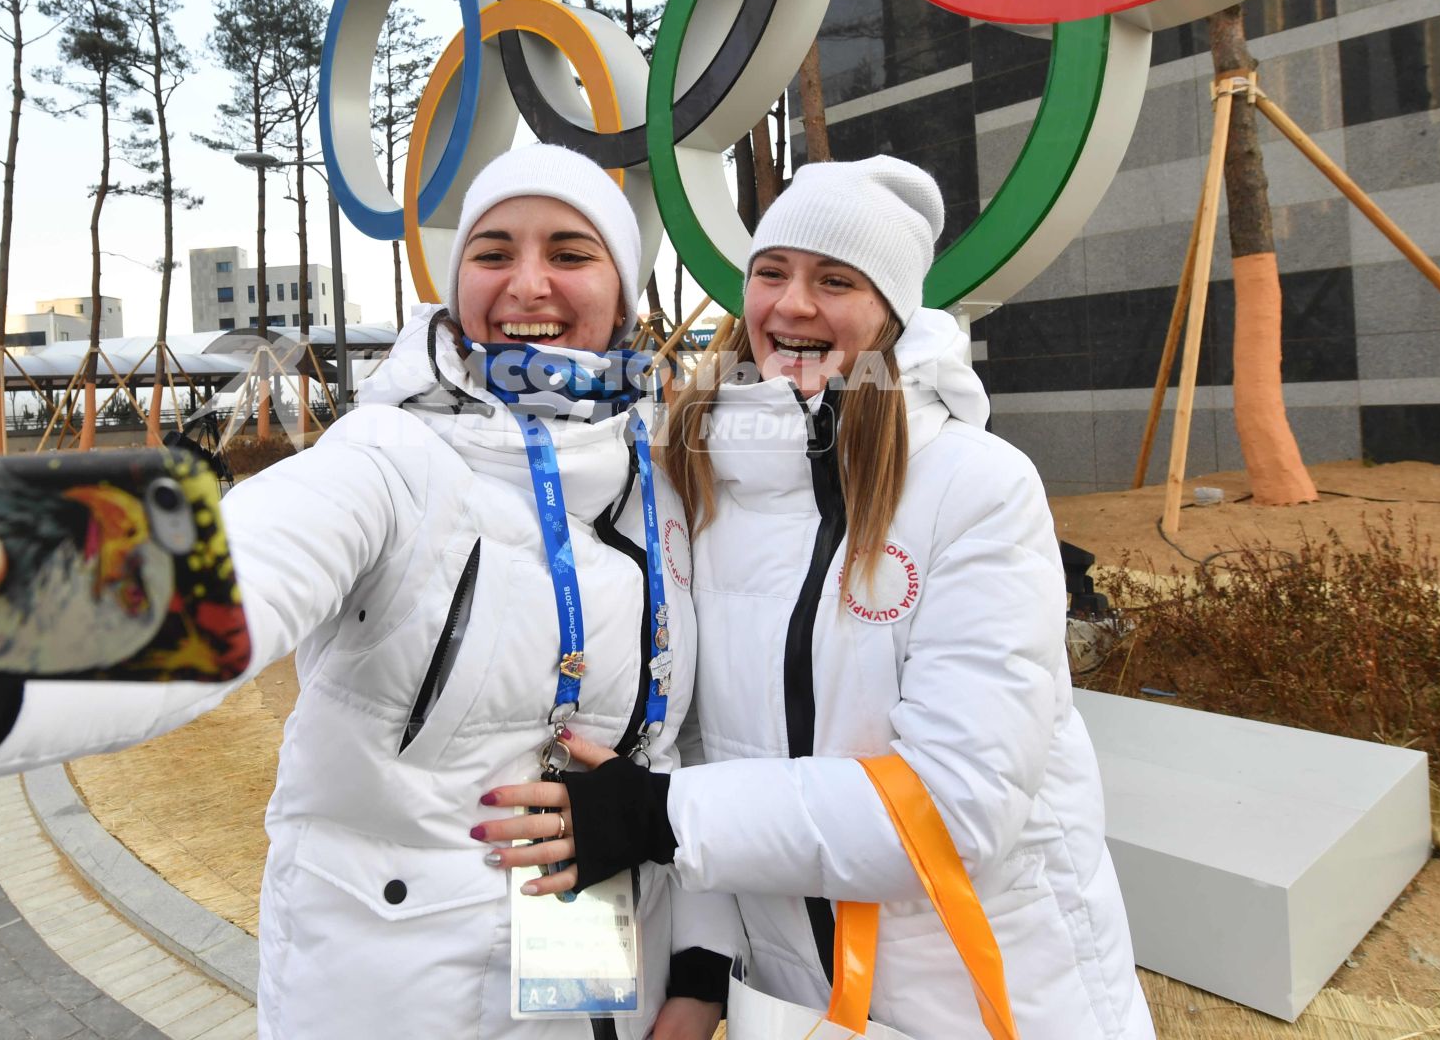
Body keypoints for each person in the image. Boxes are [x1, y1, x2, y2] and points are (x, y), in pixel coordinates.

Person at [0, 143, 722, 1038]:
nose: (526, 283)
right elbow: (225, 575)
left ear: (624, 292)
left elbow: (691, 743)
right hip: (394, 984)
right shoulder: (393, 456)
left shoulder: (663, 479)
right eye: (494, 252)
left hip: (596, 973)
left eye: (570, 252)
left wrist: (697, 967)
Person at [475, 156, 1156, 1038]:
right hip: (797, 1004)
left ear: (890, 312)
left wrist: (659, 817)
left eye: (834, 280)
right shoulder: (699, 479)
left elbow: (957, 805)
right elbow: (695, 742)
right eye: (771, 274)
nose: (791, 306)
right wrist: (704, 975)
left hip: (994, 995)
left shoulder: (976, 487)